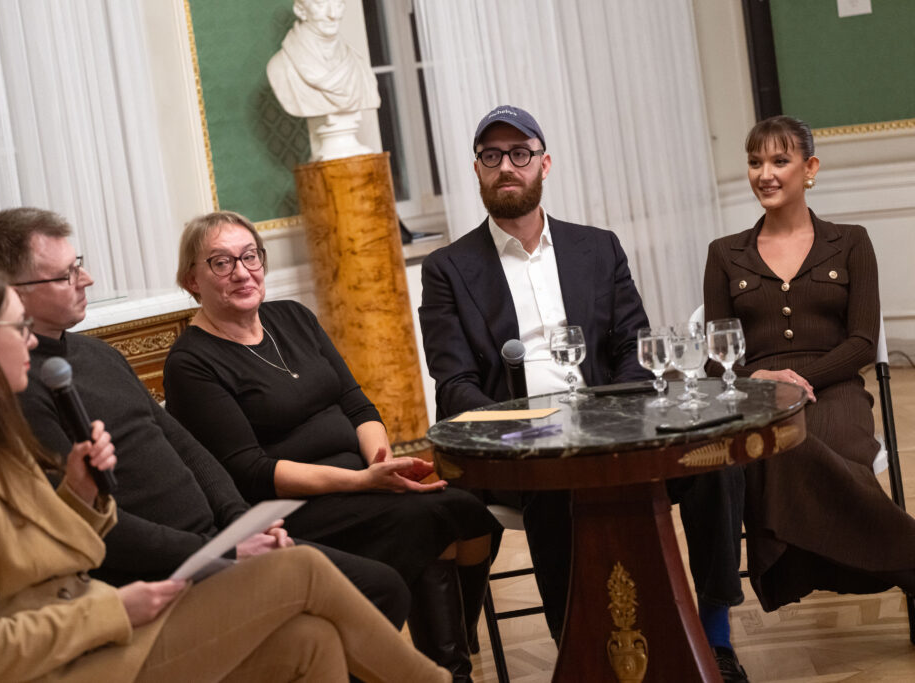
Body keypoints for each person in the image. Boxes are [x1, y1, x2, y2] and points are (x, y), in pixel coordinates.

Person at [0, 262, 449, 683]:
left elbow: (40, 555)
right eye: (19, 329)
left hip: (93, 633)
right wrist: (117, 609)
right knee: (301, 568)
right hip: (68, 663)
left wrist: (79, 496)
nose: (33, 341)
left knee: (311, 639)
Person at [419, 105, 749, 681]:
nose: (506, 166)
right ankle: (584, 650)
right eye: (492, 156)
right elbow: (455, 386)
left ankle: (715, 635)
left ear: (544, 164)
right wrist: (522, 430)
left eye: (519, 153)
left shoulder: (597, 247)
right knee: (558, 481)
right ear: (477, 170)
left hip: (614, 427)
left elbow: (633, 348)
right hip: (521, 448)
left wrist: (608, 422)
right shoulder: (448, 268)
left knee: (712, 459)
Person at [0, 207, 410, 631]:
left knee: (377, 584)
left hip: (218, 539)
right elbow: (97, 525)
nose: (86, 279)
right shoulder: (17, 387)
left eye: (78, 264)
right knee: (372, 591)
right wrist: (222, 550)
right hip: (164, 571)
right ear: (12, 291)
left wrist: (241, 522)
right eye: (66, 274)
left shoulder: (98, 353)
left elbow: (186, 447)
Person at [163, 210, 501, 681]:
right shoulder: (191, 362)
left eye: (250, 256)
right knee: (430, 519)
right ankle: (447, 670)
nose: (242, 272)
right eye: (221, 262)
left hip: (361, 480)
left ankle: (452, 651)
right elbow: (251, 470)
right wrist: (362, 481)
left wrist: (382, 464)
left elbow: (358, 405)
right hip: (288, 506)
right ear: (191, 280)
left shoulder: (294, 318)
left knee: (467, 510)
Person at [703, 115, 915, 612]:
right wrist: (758, 379)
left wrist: (801, 380)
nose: (765, 174)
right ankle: (908, 562)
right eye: (755, 162)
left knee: (826, 446)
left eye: (780, 160)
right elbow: (716, 359)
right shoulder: (724, 253)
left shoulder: (852, 241)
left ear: (810, 167)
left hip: (835, 386)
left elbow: (862, 342)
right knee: (775, 444)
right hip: (758, 397)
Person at [266, 0, 379, 118]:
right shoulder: (280, 67)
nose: (333, 14)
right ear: (300, 10)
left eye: (338, 3)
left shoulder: (359, 64)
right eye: (320, 4)